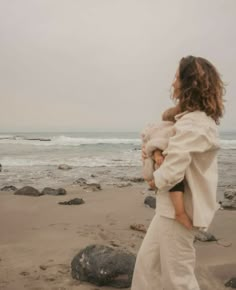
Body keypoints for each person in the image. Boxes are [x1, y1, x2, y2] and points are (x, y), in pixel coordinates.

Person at [131, 55, 225, 290]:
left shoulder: (195, 124)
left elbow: (172, 170)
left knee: (178, 277)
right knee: (147, 265)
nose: (173, 83)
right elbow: (169, 158)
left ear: (189, 83)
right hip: (169, 209)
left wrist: (154, 179)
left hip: (179, 212)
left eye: (176, 77)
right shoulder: (188, 120)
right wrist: (155, 155)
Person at [141, 105, 193, 230]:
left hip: (155, 169)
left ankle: (152, 181)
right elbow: (158, 143)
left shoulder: (157, 130)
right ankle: (179, 212)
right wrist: (157, 153)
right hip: (163, 167)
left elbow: (152, 143)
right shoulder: (170, 130)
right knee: (176, 184)